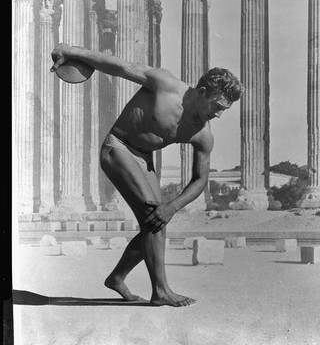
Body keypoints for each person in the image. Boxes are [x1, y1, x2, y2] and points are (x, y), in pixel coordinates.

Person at [50, 43, 243, 307]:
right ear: (203, 92)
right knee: (153, 217)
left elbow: (200, 179)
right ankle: (161, 291)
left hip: (144, 159)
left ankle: (117, 278)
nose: (219, 115)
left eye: (225, 110)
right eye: (217, 106)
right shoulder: (166, 84)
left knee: (157, 221)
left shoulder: (203, 135)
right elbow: (119, 67)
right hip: (118, 146)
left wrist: (172, 207)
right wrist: (69, 50)